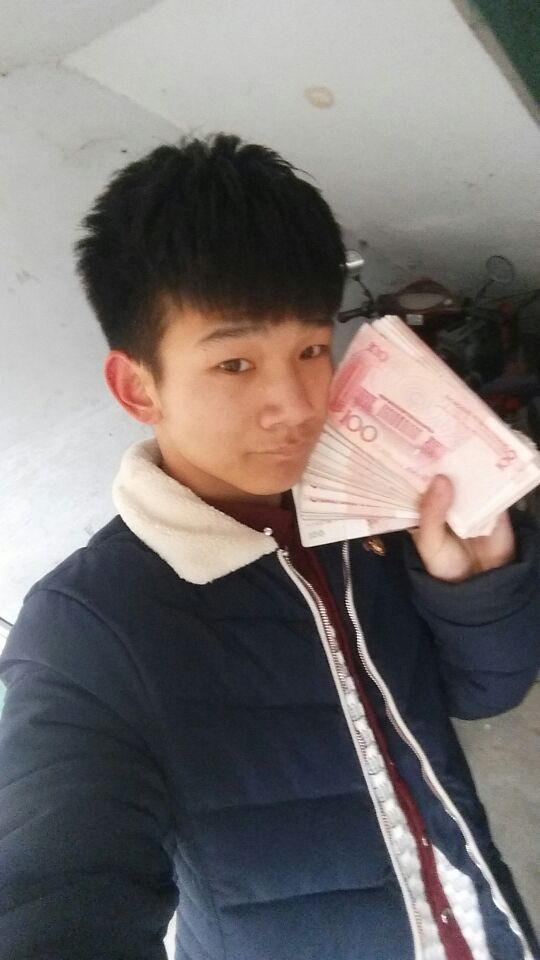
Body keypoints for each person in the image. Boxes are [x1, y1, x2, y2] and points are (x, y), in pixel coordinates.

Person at [0, 133, 538, 960]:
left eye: (312, 349)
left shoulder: (372, 516)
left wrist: (474, 587)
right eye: (235, 363)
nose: (296, 404)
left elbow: (482, 694)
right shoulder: (84, 628)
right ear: (138, 386)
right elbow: (53, 881)